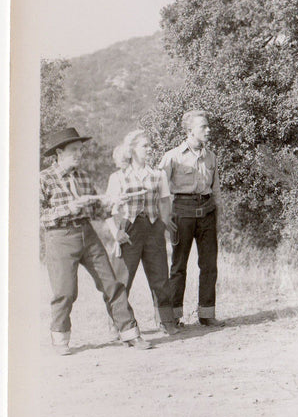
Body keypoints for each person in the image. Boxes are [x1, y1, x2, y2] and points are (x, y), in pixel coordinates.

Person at [39, 127, 153, 354]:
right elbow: (37, 216)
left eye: (81, 150)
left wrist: (114, 202)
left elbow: (98, 211)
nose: (79, 155)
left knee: (112, 284)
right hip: (59, 238)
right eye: (74, 151)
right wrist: (67, 208)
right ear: (59, 153)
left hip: (87, 234)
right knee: (66, 292)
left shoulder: (83, 177)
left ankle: (130, 334)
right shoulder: (44, 179)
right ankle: (60, 339)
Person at [105, 130, 179, 336]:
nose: (149, 150)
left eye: (150, 146)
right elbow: (108, 209)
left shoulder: (158, 175)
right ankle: (117, 323)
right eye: (144, 146)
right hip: (129, 230)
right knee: (122, 278)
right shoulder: (118, 177)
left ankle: (165, 320)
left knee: (160, 276)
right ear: (131, 150)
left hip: (154, 229)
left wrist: (164, 223)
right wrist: (116, 234)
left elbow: (164, 201)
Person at [159, 110, 222, 327]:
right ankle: (174, 316)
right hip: (182, 213)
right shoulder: (172, 156)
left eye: (208, 126)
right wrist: (165, 217)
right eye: (203, 127)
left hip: (207, 213)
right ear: (189, 131)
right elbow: (159, 189)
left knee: (209, 265)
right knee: (178, 266)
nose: (208, 130)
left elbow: (216, 191)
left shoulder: (211, 157)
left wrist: (217, 217)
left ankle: (206, 313)